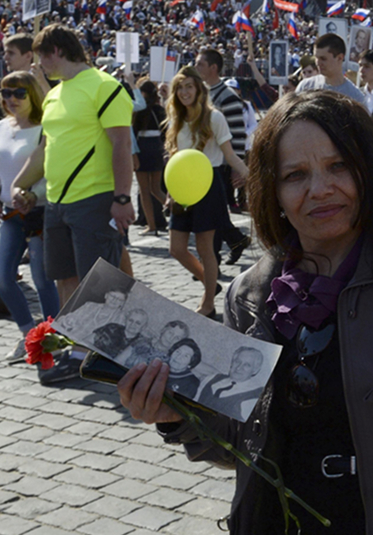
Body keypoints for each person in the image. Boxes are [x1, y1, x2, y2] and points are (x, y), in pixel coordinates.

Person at [117, 91, 373, 535]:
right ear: (270, 191)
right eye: (295, 175)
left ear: (368, 170)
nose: (320, 189)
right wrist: (173, 415)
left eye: (338, 165)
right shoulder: (250, 293)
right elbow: (236, 438)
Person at [12, 24, 134, 309]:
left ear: (56, 51)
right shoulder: (54, 94)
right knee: (64, 280)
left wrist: (123, 197)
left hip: (95, 199)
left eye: (40, 56)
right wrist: (20, 184)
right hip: (56, 203)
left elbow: (122, 145)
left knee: (99, 284)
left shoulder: (105, 86)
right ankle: (72, 348)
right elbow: (45, 148)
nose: (38, 64)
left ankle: (92, 350)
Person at [164, 66, 249, 319]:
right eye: (180, 87)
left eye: (189, 86)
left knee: (205, 249)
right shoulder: (175, 118)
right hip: (182, 188)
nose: (184, 92)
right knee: (176, 248)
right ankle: (210, 283)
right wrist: (170, 192)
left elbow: (229, 154)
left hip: (208, 186)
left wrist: (249, 176)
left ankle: (208, 302)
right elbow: (173, 158)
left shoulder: (214, 118)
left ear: (199, 89)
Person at [0, 71, 59, 362]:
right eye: (6, 92)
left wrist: (33, 194)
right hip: (9, 214)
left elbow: (51, 169)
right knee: (3, 279)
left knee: (43, 280)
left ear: (32, 94)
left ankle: (52, 340)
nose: (11, 99)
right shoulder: (1, 127)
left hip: (39, 212)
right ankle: (27, 335)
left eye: (19, 93)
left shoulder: (43, 129)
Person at [195, 48, 252, 264]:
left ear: (213, 68)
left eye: (200, 64)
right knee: (216, 213)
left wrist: (237, 167)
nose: (196, 67)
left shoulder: (227, 97)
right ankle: (235, 240)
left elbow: (238, 133)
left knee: (213, 214)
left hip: (222, 164)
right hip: (203, 163)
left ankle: (212, 261)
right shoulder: (201, 95)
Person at [133, 77, 167, 235]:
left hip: (142, 148)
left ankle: (151, 225)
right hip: (157, 148)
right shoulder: (159, 110)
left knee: (144, 190)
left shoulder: (139, 110)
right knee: (156, 188)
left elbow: (133, 132)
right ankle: (180, 213)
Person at [195, 345, 264, 418]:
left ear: (255, 370)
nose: (239, 367)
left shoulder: (256, 395)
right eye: (237, 361)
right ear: (232, 362)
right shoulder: (211, 378)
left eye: (247, 365)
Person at [296, 34, 365, 104]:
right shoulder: (305, 87)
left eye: (323, 59)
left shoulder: (355, 97)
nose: (318, 63)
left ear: (339, 58)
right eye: (316, 58)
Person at [116, 319, 189, 368]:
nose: (171, 339)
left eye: (177, 338)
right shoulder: (142, 342)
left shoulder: (171, 360)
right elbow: (119, 360)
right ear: (163, 330)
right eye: (170, 333)